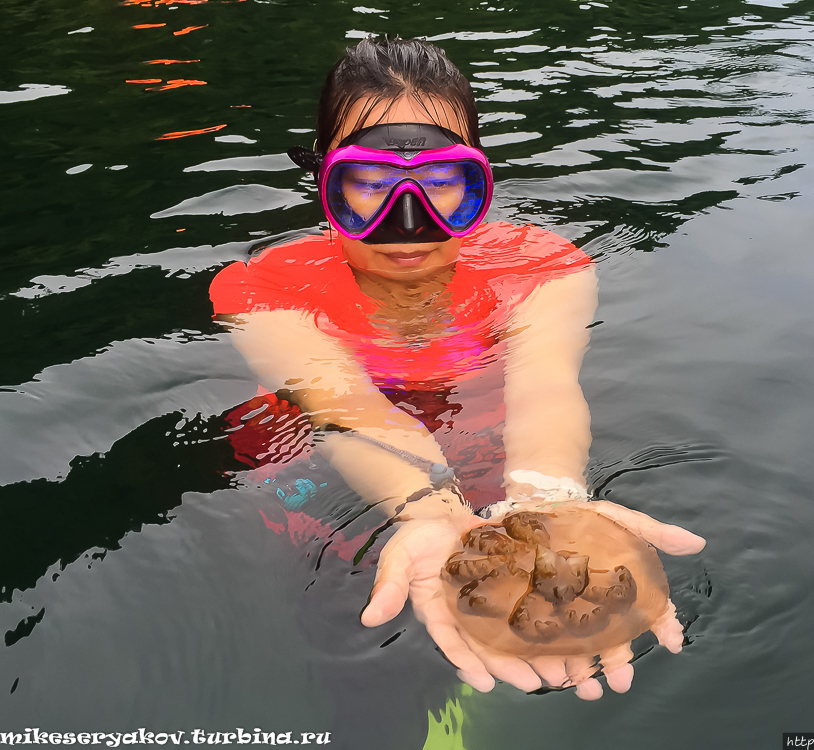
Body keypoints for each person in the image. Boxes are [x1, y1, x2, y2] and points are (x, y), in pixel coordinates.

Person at [209, 36, 705, 700]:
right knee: (350, 629)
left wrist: (545, 503)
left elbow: (546, 388)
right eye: (369, 183)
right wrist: (428, 511)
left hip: (481, 463)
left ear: (479, 178)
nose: (408, 222)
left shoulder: (540, 268)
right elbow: (344, 403)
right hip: (324, 477)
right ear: (325, 180)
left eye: (442, 182)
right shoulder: (262, 287)